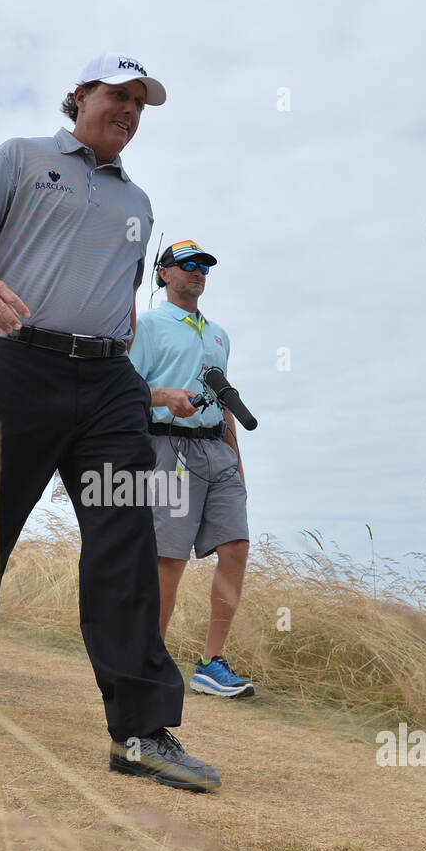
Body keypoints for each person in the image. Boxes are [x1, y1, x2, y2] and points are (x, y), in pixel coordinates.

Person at [0, 53, 221, 793]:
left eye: (141, 103)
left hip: (109, 379)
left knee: (124, 535)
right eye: (119, 94)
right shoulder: (21, 158)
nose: (130, 110)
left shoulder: (139, 203)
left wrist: (136, 383)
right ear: (80, 96)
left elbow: (116, 297)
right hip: (22, 365)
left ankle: (140, 732)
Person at [129, 239, 254, 698]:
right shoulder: (146, 325)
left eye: (204, 265)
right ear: (164, 274)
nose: (198, 271)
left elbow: (223, 402)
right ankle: (152, 660)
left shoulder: (220, 335)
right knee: (169, 559)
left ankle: (211, 662)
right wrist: (165, 399)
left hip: (217, 450)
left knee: (237, 546)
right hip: (167, 448)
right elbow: (127, 390)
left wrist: (237, 463)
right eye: (187, 265)